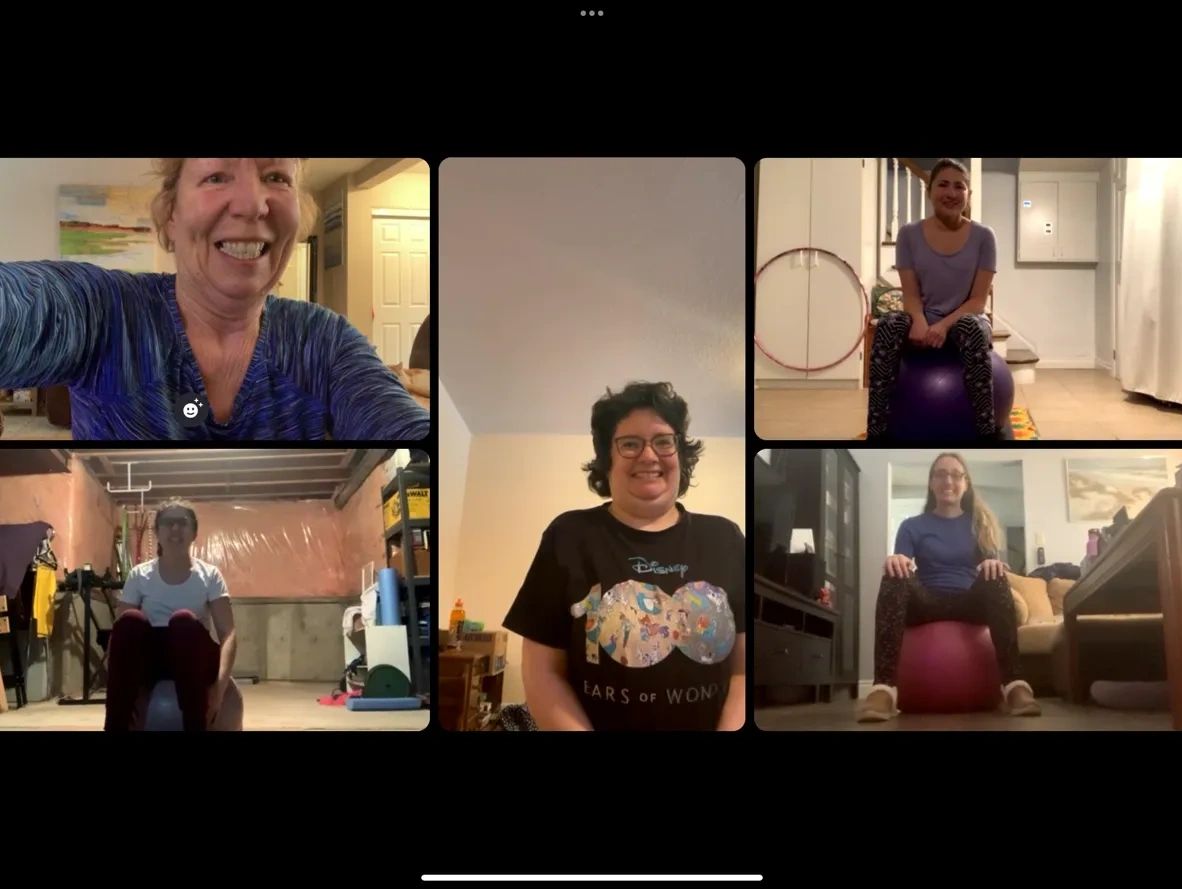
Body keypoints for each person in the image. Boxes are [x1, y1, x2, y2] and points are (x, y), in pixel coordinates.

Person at [0, 158, 430, 441]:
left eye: (276, 177)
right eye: (217, 176)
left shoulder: (326, 343)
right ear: (171, 214)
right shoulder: (104, 312)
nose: (252, 204)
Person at [503, 381, 746, 731]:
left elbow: (744, 670)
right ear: (607, 459)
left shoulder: (725, 538)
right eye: (630, 444)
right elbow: (543, 672)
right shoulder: (569, 535)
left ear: (680, 454)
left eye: (663, 441)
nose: (649, 455)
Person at [857, 453, 1040, 722]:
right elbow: (904, 564)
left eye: (956, 475)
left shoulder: (980, 524)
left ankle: (1014, 686)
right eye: (941, 474)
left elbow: (988, 567)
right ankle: (884, 689)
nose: (948, 481)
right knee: (894, 573)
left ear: (966, 483)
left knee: (997, 575)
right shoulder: (911, 526)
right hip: (926, 603)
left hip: (969, 603)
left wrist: (992, 563)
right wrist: (897, 559)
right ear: (931, 483)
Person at [867, 158, 1002, 442]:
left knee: (972, 327)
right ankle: (877, 433)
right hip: (923, 320)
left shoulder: (984, 236)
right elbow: (911, 294)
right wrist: (918, 320)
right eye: (943, 185)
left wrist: (942, 326)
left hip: (965, 321)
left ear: (968, 194)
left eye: (959, 187)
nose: (951, 193)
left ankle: (986, 434)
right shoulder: (908, 234)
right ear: (929, 191)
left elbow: (978, 300)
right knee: (888, 325)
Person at [104, 499, 242, 731]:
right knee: (130, 621)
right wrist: (118, 684)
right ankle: (115, 726)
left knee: (183, 621)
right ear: (157, 532)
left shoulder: (210, 575)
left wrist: (219, 690)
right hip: (152, 659)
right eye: (168, 523)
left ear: (194, 533)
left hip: (193, 657)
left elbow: (228, 634)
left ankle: (195, 725)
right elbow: (119, 637)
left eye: (182, 522)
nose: (175, 528)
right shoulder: (139, 575)